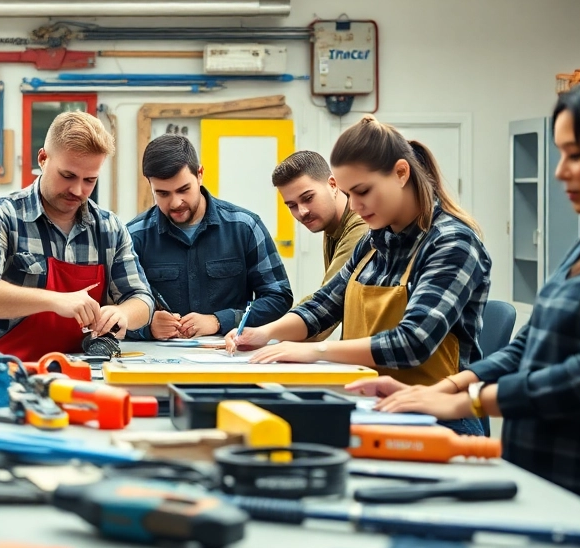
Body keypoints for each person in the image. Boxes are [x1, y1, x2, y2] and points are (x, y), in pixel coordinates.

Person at [353, 78, 580, 547]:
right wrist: (447, 386)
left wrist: (467, 403)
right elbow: (527, 347)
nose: (560, 173)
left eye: (575, 155)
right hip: (557, 480)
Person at [226, 115, 491, 436]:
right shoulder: (373, 241)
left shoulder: (451, 242)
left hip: (440, 416)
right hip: (373, 404)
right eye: (350, 194)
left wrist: (315, 350)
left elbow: (413, 342)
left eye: (363, 191)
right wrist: (264, 333)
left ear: (401, 173)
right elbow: (322, 308)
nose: (355, 206)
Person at [0, 111, 153, 359]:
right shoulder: (0, 215)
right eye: (68, 176)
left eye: (90, 180)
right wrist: (55, 301)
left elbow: (141, 297)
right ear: (42, 158)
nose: (77, 189)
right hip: (4, 367)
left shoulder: (109, 228)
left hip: (82, 370)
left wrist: (123, 313)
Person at [127, 135, 293, 340]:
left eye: (183, 189)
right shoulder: (134, 237)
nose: (176, 202)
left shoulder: (245, 227)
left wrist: (219, 321)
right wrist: (146, 327)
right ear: (149, 185)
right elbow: (111, 311)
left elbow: (279, 297)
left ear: (200, 174)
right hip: (158, 363)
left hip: (231, 359)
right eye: (162, 194)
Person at [272, 149, 371, 340]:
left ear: (332, 184)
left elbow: (324, 309)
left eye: (308, 198)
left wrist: (266, 335)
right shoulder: (331, 223)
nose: (302, 211)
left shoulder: (360, 226)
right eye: (291, 205)